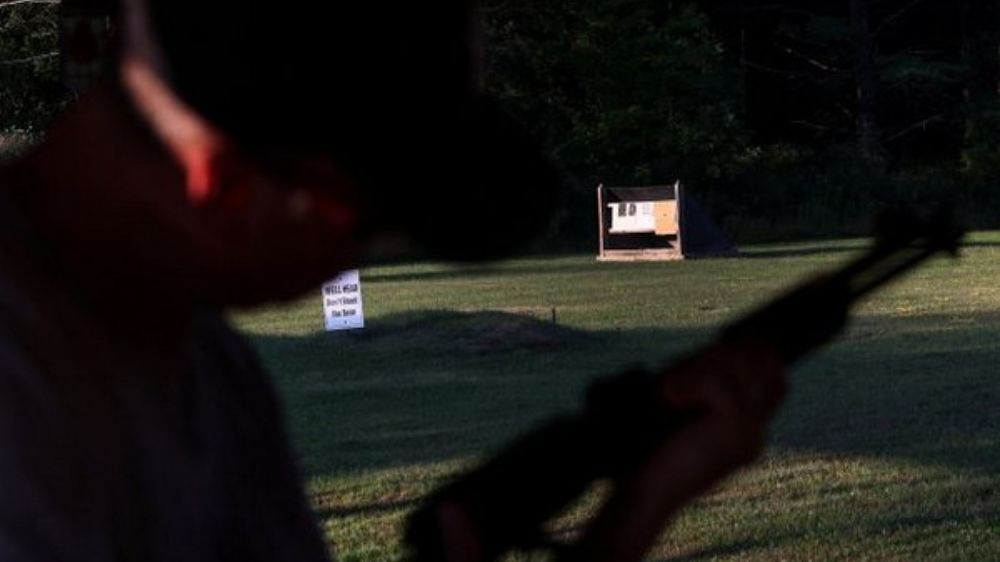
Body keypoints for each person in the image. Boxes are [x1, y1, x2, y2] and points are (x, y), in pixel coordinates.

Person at [0, 1, 786, 561]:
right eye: (359, 226)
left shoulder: (202, 364)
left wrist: (635, 506)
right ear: (228, 188)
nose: (352, 265)